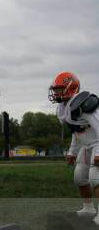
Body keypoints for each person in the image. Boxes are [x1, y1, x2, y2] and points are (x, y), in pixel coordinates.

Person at [50, 72, 99, 220]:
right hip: (85, 145)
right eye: (55, 89)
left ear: (70, 87)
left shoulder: (85, 103)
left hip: (97, 143)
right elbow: (76, 131)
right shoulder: (64, 107)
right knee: (79, 178)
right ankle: (88, 209)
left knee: (95, 178)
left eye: (59, 89)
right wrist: (72, 151)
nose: (56, 93)